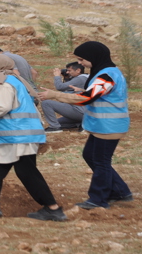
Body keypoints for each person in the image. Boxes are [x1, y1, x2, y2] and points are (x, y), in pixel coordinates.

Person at [0, 54, 67, 222]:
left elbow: (2, 107)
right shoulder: (14, 80)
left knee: (26, 172)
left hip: (17, 135)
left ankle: (53, 209)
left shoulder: (4, 84)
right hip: (17, 135)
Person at [38, 41, 132, 210]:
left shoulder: (107, 75)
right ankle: (119, 191)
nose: (80, 63)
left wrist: (54, 95)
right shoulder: (103, 73)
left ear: (93, 57)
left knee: (100, 161)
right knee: (90, 155)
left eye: (82, 59)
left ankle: (98, 200)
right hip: (102, 125)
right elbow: (95, 95)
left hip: (109, 126)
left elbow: (88, 98)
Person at [41, 62, 88, 133]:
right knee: (59, 122)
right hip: (85, 112)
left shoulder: (80, 79)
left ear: (78, 70)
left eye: (69, 70)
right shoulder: (87, 77)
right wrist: (66, 78)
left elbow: (60, 87)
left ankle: (54, 128)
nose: (68, 72)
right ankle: (80, 123)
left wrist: (57, 76)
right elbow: (69, 92)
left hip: (80, 111)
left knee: (46, 103)